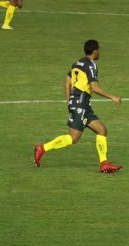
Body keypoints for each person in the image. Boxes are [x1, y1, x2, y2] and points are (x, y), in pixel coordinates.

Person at [34, 40, 123, 173]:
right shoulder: (91, 66)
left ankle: (104, 163)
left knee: (102, 130)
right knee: (73, 139)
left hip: (82, 104)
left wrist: (69, 100)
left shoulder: (77, 63)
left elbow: (67, 82)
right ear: (94, 51)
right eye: (99, 49)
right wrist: (112, 97)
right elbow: (94, 87)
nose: (99, 52)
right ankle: (42, 148)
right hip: (81, 104)